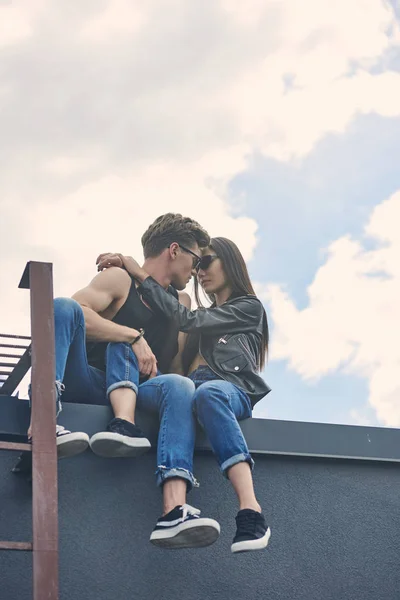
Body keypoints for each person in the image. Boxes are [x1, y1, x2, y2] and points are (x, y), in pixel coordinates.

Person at [97, 237, 271, 553]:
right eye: (197, 264)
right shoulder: (200, 317)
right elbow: (178, 368)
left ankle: (251, 511)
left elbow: (187, 319)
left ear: (230, 263)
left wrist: (137, 271)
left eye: (206, 262)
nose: (199, 271)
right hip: (194, 392)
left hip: (228, 389)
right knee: (189, 390)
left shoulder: (247, 307)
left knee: (210, 394)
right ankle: (174, 511)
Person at [26, 213, 211, 466]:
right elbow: (70, 317)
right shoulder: (120, 280)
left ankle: (161, 463)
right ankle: (44, 421)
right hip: (90, 382)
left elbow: (176, 367)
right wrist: (132, 336)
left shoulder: (181, 304)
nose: (196, 270)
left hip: (143, 392)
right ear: (175, 250)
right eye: (196, 259)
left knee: (178, 384)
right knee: (62, 306)